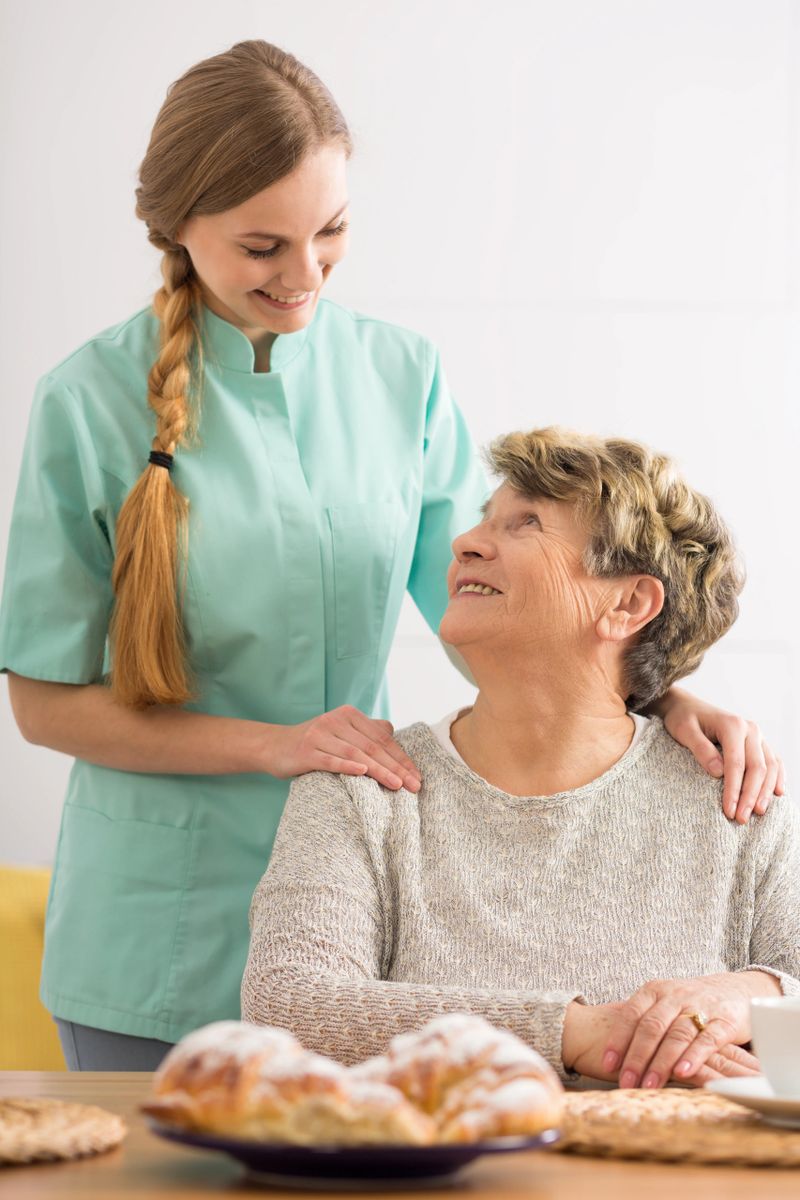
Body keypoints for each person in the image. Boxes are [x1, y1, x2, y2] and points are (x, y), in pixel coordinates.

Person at [0, 40, 781, 1072]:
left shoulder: (397, 373)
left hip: (370, 929)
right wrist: (275, 744)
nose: (305, 273)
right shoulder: (86, 400)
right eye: (262, 246)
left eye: (330, 231)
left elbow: (504, 602)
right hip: (159, 926)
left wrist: (657, 696)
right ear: (177, 228)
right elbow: (44, 702)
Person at [241, 428, 799, 1091]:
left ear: (628, 604)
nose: (465, 544)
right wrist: (579, 1032)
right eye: (484, 522)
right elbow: (289, 1006)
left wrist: (752, 992)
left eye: (524, 524)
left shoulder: (734, 794)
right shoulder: (362, 786)